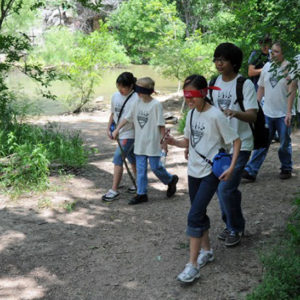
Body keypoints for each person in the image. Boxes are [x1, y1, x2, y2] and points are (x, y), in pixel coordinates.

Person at [166, 75, 241, 283]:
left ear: (204, 93)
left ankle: (193, 266)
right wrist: (172, 141)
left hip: (210, 172)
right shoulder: (190, 115)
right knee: (198, 213)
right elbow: (188, 143)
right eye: (186, 96)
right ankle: (206, 251)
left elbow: (235, 140)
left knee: (194, 215)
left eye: (193, 96)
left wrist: (232, 167)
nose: (189, 101)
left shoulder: (216, 116)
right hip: (193, 172)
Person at [210, 43, 258, 246]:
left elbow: (252, 115)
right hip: (221, 146)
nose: (218, 63)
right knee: (226, 187)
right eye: (216, 59)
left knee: (225, 188)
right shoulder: (214, 83)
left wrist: (235, 112)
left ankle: (235, 227)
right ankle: (232, 224)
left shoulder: (244, 84)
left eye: (223, 59)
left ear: (234, 62)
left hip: (242, 144)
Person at [112, 77, 178, 205]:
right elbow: (127, 117)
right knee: (141, 170)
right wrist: (117, 129)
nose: (137, 91)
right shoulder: (137, 102)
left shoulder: (156, 105)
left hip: (153, 142)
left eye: (139, 89)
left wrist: (164, 142)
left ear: (146, 91)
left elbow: (161, 124)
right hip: (140, 143)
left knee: (156, 167)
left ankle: (170, 180)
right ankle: (141, 194)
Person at [242, 41, 295, 181]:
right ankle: (251, 171)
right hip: (267, 112)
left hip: (283, 113)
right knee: (262, 141)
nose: (272, 53)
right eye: (272, 51)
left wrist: (289, 112)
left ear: (283, 53)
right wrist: (257, 106)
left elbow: (292, 91)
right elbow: (261, 87)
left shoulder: (290, 68)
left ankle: (286, 167)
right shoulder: (267, 66)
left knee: (284, 142)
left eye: (276, 51)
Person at [102, 72, 139, 202]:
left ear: (131, 86)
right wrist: (108, 128)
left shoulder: (136, 98)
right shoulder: (115, 96)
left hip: (130, 133)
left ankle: (114, 190)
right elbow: (113, 113)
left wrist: (117, 130)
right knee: (132, 158)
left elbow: (128, 118)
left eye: (123, 87)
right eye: (119, 87)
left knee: (118, 158)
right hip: (119, 132)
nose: (121, 90)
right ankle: (139, 184)